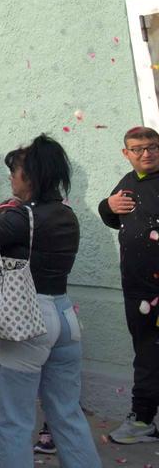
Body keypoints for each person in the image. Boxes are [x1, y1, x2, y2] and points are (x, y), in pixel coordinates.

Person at [0, 134, 100, 467]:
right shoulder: (65, 215)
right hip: (64, 316)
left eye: (15, 172)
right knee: (67, 415)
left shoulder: (21, 217)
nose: (11, 179)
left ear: (31, 176)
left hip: (27, 321)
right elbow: (30, 247)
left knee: (13, 421)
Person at [99, 125, 159, 444]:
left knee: (151, 353)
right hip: (137, 290)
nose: (146, 153)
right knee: (147, 352)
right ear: (127, 154)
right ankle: (144, 421)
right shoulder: (127, 182)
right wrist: (107, 206)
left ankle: (142, 418)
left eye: (152, 147)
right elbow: (111, 215)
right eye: (138, 149)